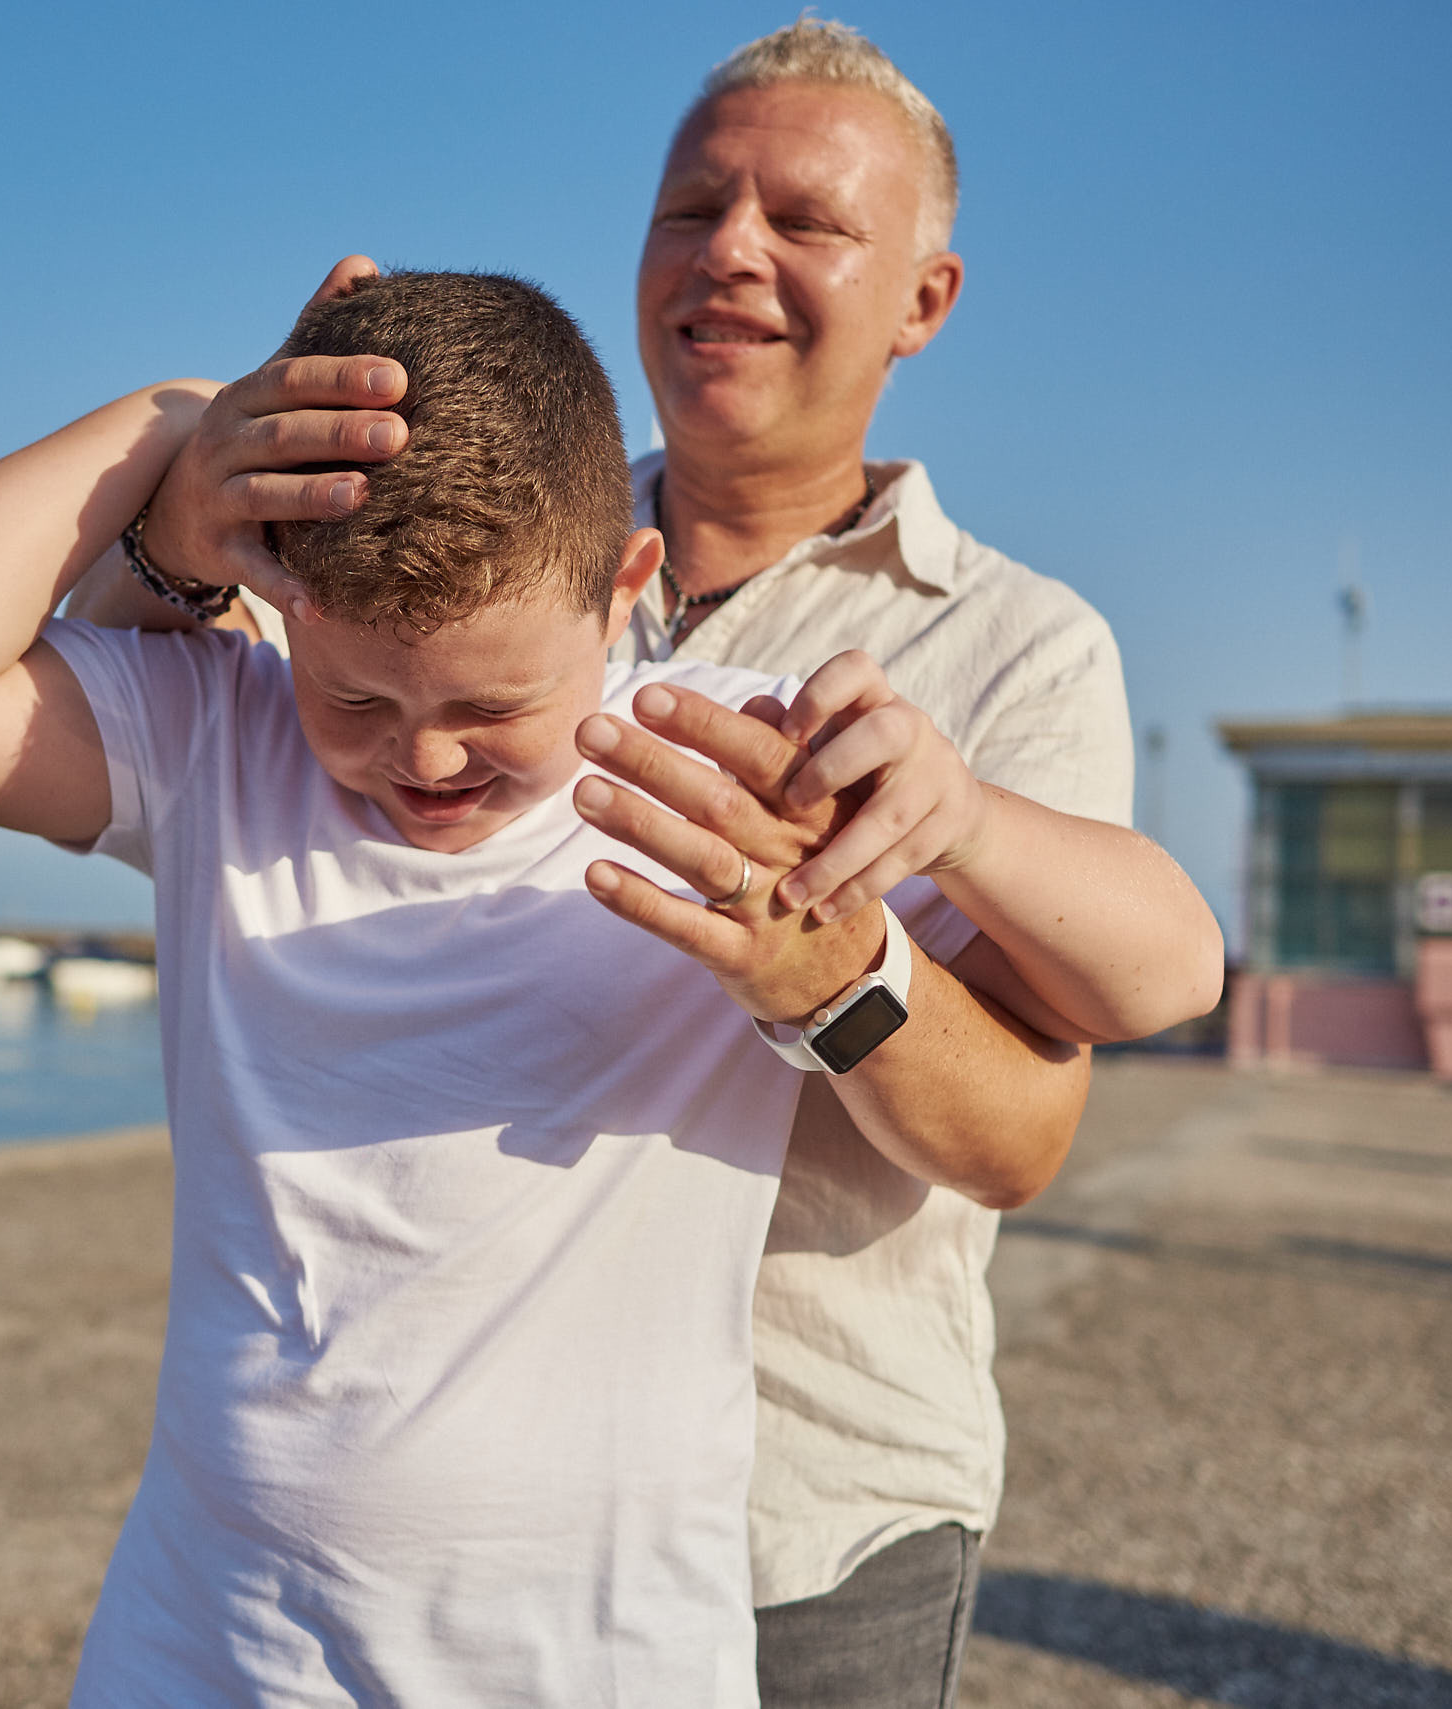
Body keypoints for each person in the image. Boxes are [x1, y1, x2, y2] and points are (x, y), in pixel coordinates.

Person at [82, 22, 1227, 1708]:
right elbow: (141, 705)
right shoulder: (464, 541)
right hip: (406, 1553)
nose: (734, 254)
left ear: (924, 301)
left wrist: (891, 895)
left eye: (808, 221)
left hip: (814, 1515)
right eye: (692, 207)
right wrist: (173, 508)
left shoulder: (1015, 645)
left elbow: (1030, 1125)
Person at [0, 269, 1091, 1705]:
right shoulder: (224, 735)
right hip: (209, 1646)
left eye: (493, 709)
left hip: (603, 1656)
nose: (429, 758)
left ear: (627, 592)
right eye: (361, 700)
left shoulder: (723, 789)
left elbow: (1100, 1034)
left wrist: (892, 903)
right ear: (283, 603)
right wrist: (169, 425)